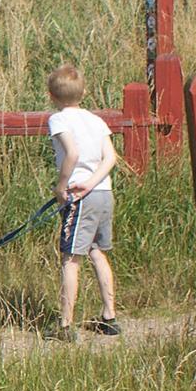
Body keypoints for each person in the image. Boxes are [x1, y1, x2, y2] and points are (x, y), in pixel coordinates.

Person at [46, 64, 122, 342]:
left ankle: (65, 324)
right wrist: (94, 182)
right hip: (103, 192)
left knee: (70, 258)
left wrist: (62, 186)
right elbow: (111, 158)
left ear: (51, 96)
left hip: (80, 196)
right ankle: (109, 316)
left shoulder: (58, 120)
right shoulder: (96, 120)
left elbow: (72, 153)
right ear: (84, 92)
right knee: (97, 251)